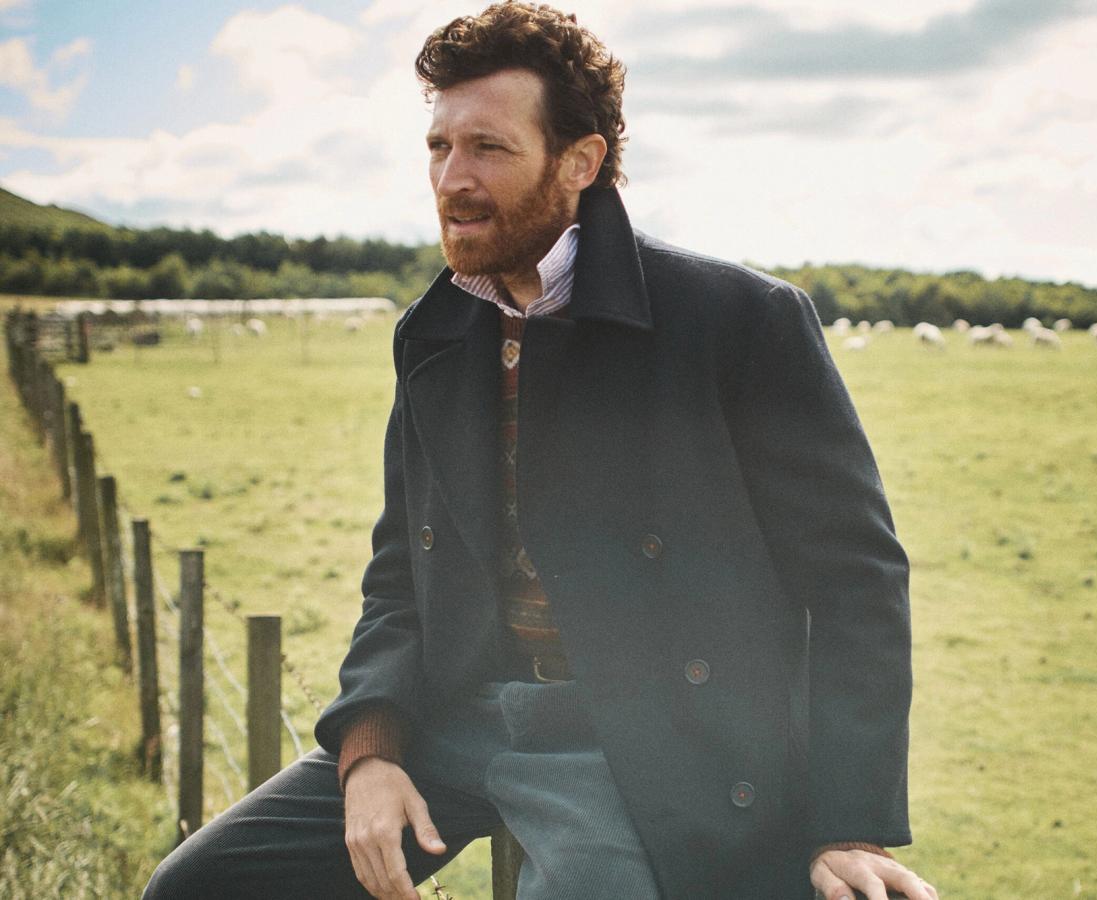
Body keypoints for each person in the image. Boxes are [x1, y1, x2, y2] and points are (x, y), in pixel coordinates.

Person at [144, 3, 938, 899]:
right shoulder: (434, 335)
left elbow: (855, 578)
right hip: (462, 717)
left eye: (488, 147)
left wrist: (850, 822)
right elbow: (403, 568)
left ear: (581, 161)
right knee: (199, 888)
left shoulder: (736, 321)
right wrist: (370, 750)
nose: (452, 177)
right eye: (439, 147)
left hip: (631, 727)